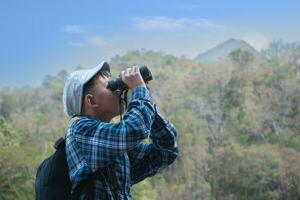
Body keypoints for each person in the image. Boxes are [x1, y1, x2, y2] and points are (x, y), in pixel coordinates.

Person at [62, 61, 179, 199]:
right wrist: (139, 90)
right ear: (91, 101)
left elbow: (165, 152)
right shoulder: (79, 130)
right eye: (110, 86)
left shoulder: (115, 146)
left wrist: (142, 99)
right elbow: (135, 130)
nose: (118, 90)